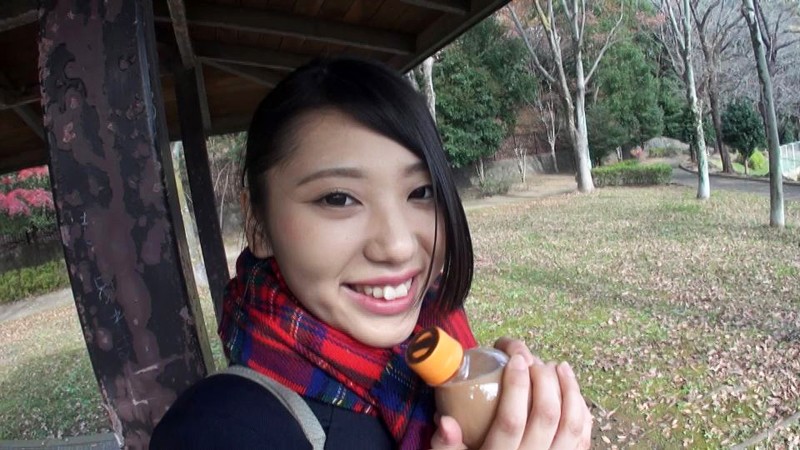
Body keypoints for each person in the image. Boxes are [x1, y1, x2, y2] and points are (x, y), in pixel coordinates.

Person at [151, 57, 591, 449]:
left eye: (421, 192)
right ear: (257, 223)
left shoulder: (440, 342)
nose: (398, 246)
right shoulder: (218, 431)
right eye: (338, 198)